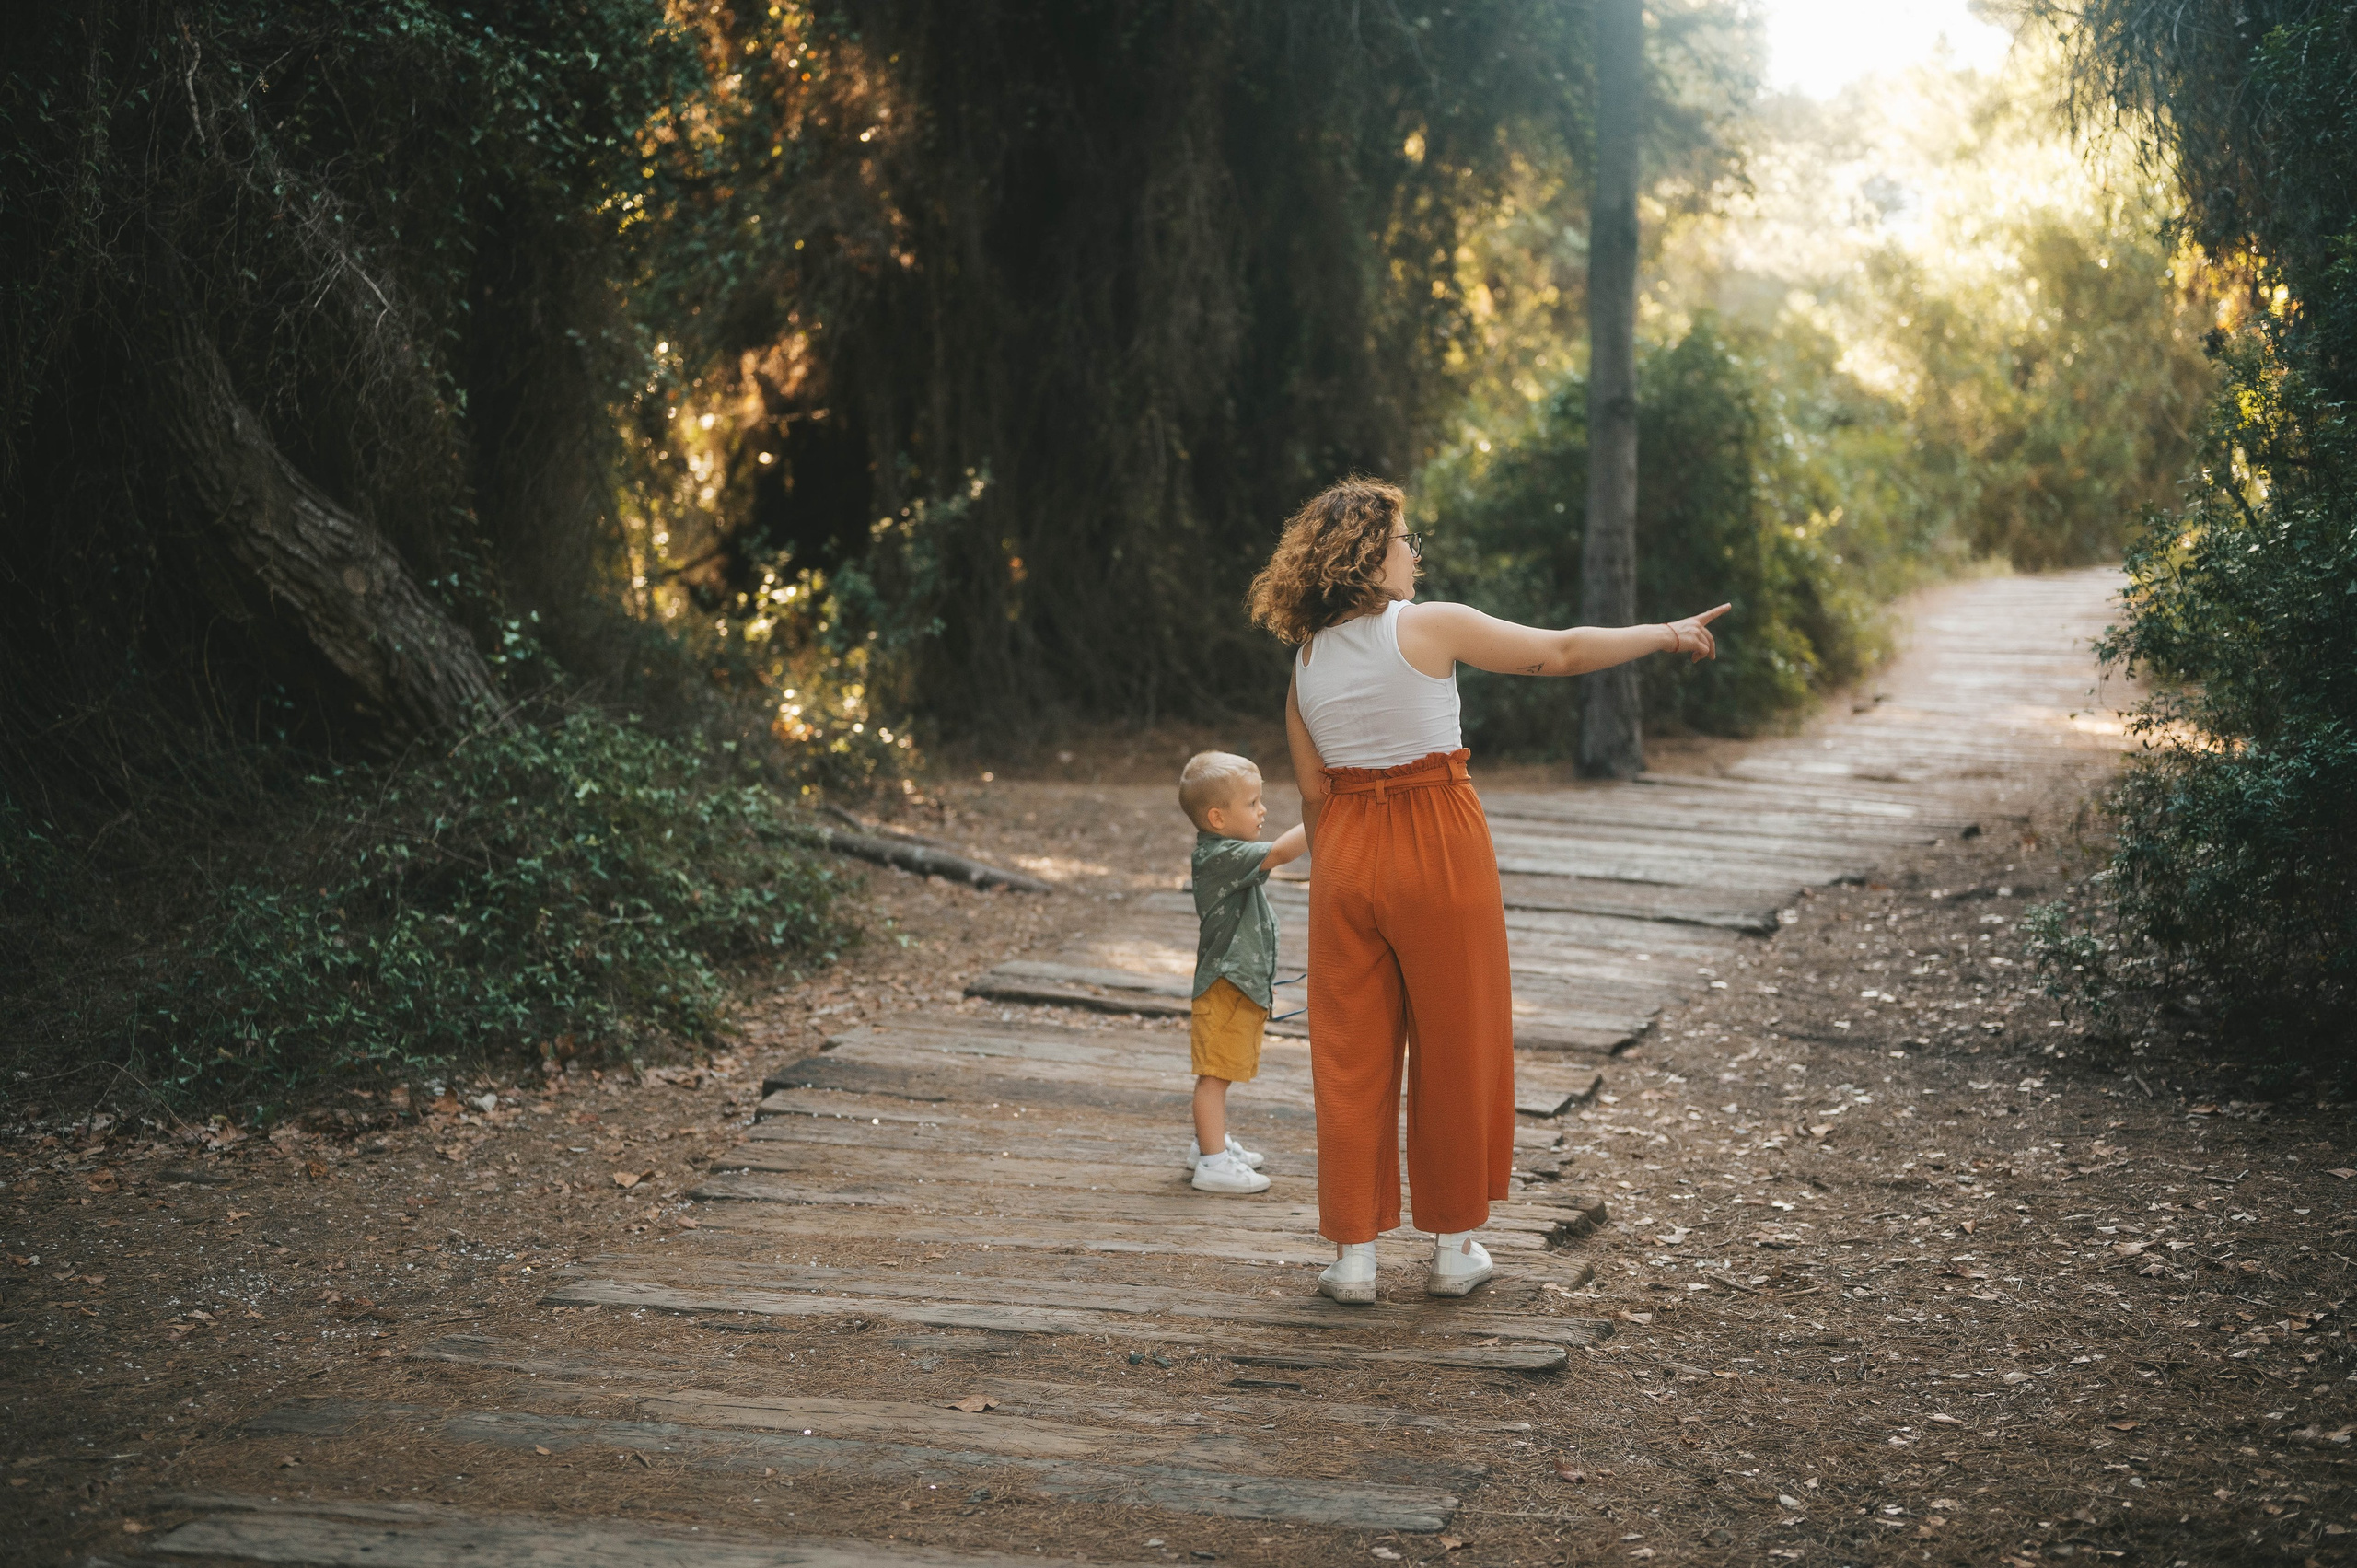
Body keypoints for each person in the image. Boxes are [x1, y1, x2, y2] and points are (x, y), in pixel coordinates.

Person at [1248, 477, 1727, 1301]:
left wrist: (1338, 882)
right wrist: (1665, 633)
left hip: (1347, 856)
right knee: (1458, 1041)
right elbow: (1562, 652)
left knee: (1352, 1055)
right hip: (1438, 843)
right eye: (1406, 539)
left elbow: (1315, 793)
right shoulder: (1427, 625)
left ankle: (1354, 1257)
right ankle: (1453, 1247)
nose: (1415, 553)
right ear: (1370, 555)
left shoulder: (1306, 662)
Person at [1179, 749, 1308, 1194]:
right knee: (1215, 1077)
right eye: (1252, 803)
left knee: (1223, 1071)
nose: (1263, 810)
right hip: (1225, 985)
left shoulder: (1225, 852)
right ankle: (1213, 1163)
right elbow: (1282, 851)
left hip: (1237, 985)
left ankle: (1208, 1145)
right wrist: (1324, 810)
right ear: (1217, 818)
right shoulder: (1220, 855)